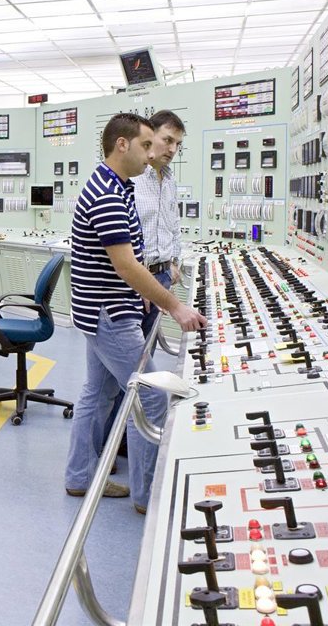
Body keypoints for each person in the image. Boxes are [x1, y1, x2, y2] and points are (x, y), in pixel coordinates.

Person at [64, 114, 206, 515]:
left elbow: (129, 257)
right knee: (152, 394)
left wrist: (144, 292)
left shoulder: (118, 185)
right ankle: (147, 496)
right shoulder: (108, 195)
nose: (152, 155)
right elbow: (126, 265)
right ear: (122, 145)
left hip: (103, 308)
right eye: (146, 145)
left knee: (99, 392)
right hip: (110, 314)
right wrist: (174, 305)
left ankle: (79, 476)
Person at [135, 110, 185, 337]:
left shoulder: (170, 180)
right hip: (135, 280)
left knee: (149, 345)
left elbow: (173, 224)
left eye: (178, 144)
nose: (173, 149)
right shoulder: (133, 178)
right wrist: (140, 283)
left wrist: (173, 262)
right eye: (168, 140)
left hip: (163, 275)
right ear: (149, 135)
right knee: (131, 350)